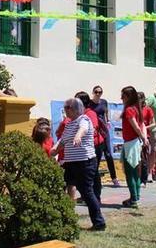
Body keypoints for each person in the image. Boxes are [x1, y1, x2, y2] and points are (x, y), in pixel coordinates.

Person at [50, 98, 106, 231]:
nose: (65, 109)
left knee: (86, 192)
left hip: (85, 162)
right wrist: (54, 149)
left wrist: (78, 136)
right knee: (61, 185)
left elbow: (84, 129)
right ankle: (64, 218)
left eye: (67, 107)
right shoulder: (69, 124)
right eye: (65, 107)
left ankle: (99, 223)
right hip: (70, 162)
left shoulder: (83, 119)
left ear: (76, 109)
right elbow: (62, 141)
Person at [120, 86, 148, 208]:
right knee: (135, 172)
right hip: (134, 143)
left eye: (123, 96)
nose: (121, 98)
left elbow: (136, 126)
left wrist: (143, 137)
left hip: (131, 143)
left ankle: (134, 199)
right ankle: (135, 197)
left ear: (129, 97)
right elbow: (141, 125)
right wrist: (143, 138)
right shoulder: (137, 109)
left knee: (130, 172)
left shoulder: (130, 110)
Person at [75, 91, 104, 201]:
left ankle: (96, 196)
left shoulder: (90, 113)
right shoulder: (82, 114)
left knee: (93, 171)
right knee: (86, 172)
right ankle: (86, 195)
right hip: (88, 146)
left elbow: (92, 130)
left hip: (95, 145)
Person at [90, 85, 120, 187]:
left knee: (108, 154)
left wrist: (107, 121)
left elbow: (106, 113)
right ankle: (95, 179)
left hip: (104, 130)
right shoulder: (90, 104)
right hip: (95, 131)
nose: (98, 94)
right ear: (93, 92)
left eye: (100, 92)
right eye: (96, 92)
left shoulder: (104, 102)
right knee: (97, 155)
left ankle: (114, 178)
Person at [138, 91, 154, 186]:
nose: (138, 100)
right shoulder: (133, 109)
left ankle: (143, 180)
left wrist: (144, 128)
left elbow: (154, 123)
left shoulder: (147, 109)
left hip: (145, 136)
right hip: (135, 137)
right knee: (136, 160)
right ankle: (136, 178)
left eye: (140, 98)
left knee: (143, 159)